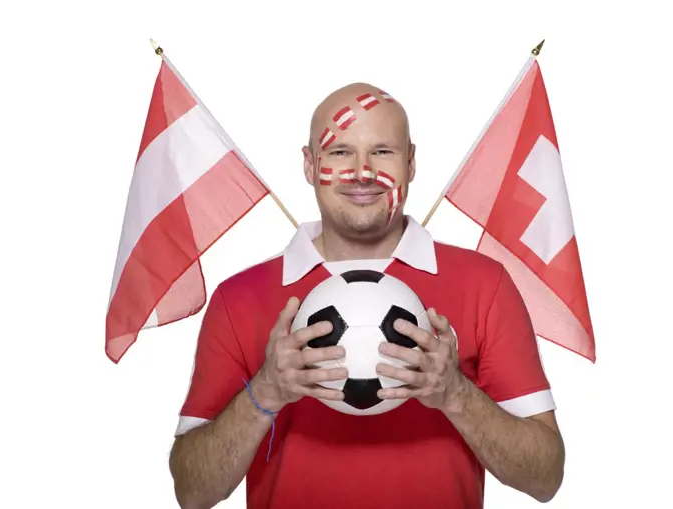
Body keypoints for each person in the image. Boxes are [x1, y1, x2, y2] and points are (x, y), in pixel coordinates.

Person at [168, 83, 566, 509]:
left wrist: (456, 394)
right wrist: (266, 391)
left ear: (411, 163)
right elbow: (192, 492)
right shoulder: (239, 298)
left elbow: (545, 478)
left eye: (382, 152)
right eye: (339, 153)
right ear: (309, 164)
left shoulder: (485, 284)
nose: (362, 172)